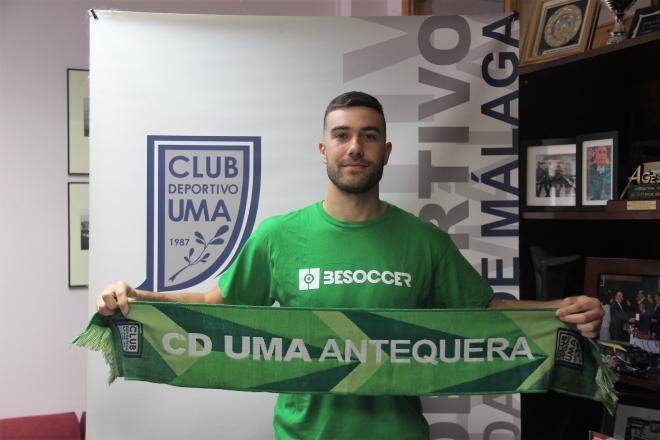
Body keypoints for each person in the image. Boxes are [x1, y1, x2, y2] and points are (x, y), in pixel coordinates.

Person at [97, 91, 603, 440]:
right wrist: (141, 300)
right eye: (341, 135)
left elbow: (489, 313)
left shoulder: (424, 241)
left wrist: (562, 310)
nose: (354, 147)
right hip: (303, 435)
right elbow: (216, 305)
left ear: (386, 150)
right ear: (324, 149)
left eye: (368, 136)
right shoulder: (278, 236)